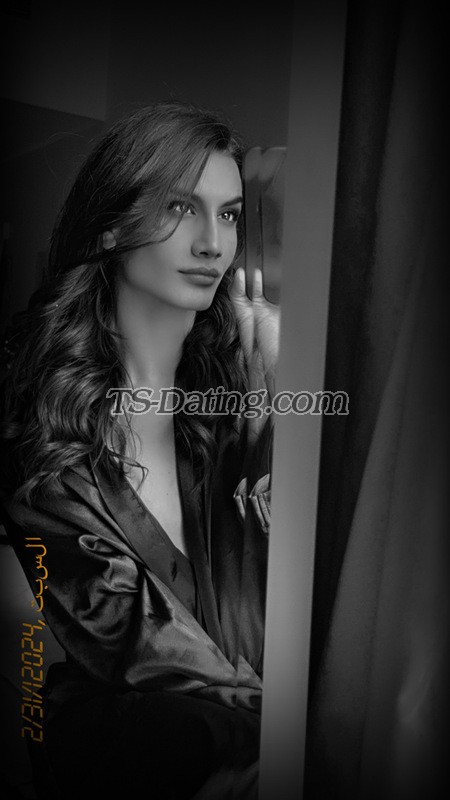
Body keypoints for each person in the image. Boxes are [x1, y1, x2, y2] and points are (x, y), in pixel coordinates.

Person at [0, 102, 278, 799]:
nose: (214, 244)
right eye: (182, 208)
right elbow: (129, 638)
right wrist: (294, 723)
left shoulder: (240, 398)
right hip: (131, 740)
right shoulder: (42, 419)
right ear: (112, 224)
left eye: (230, 215)